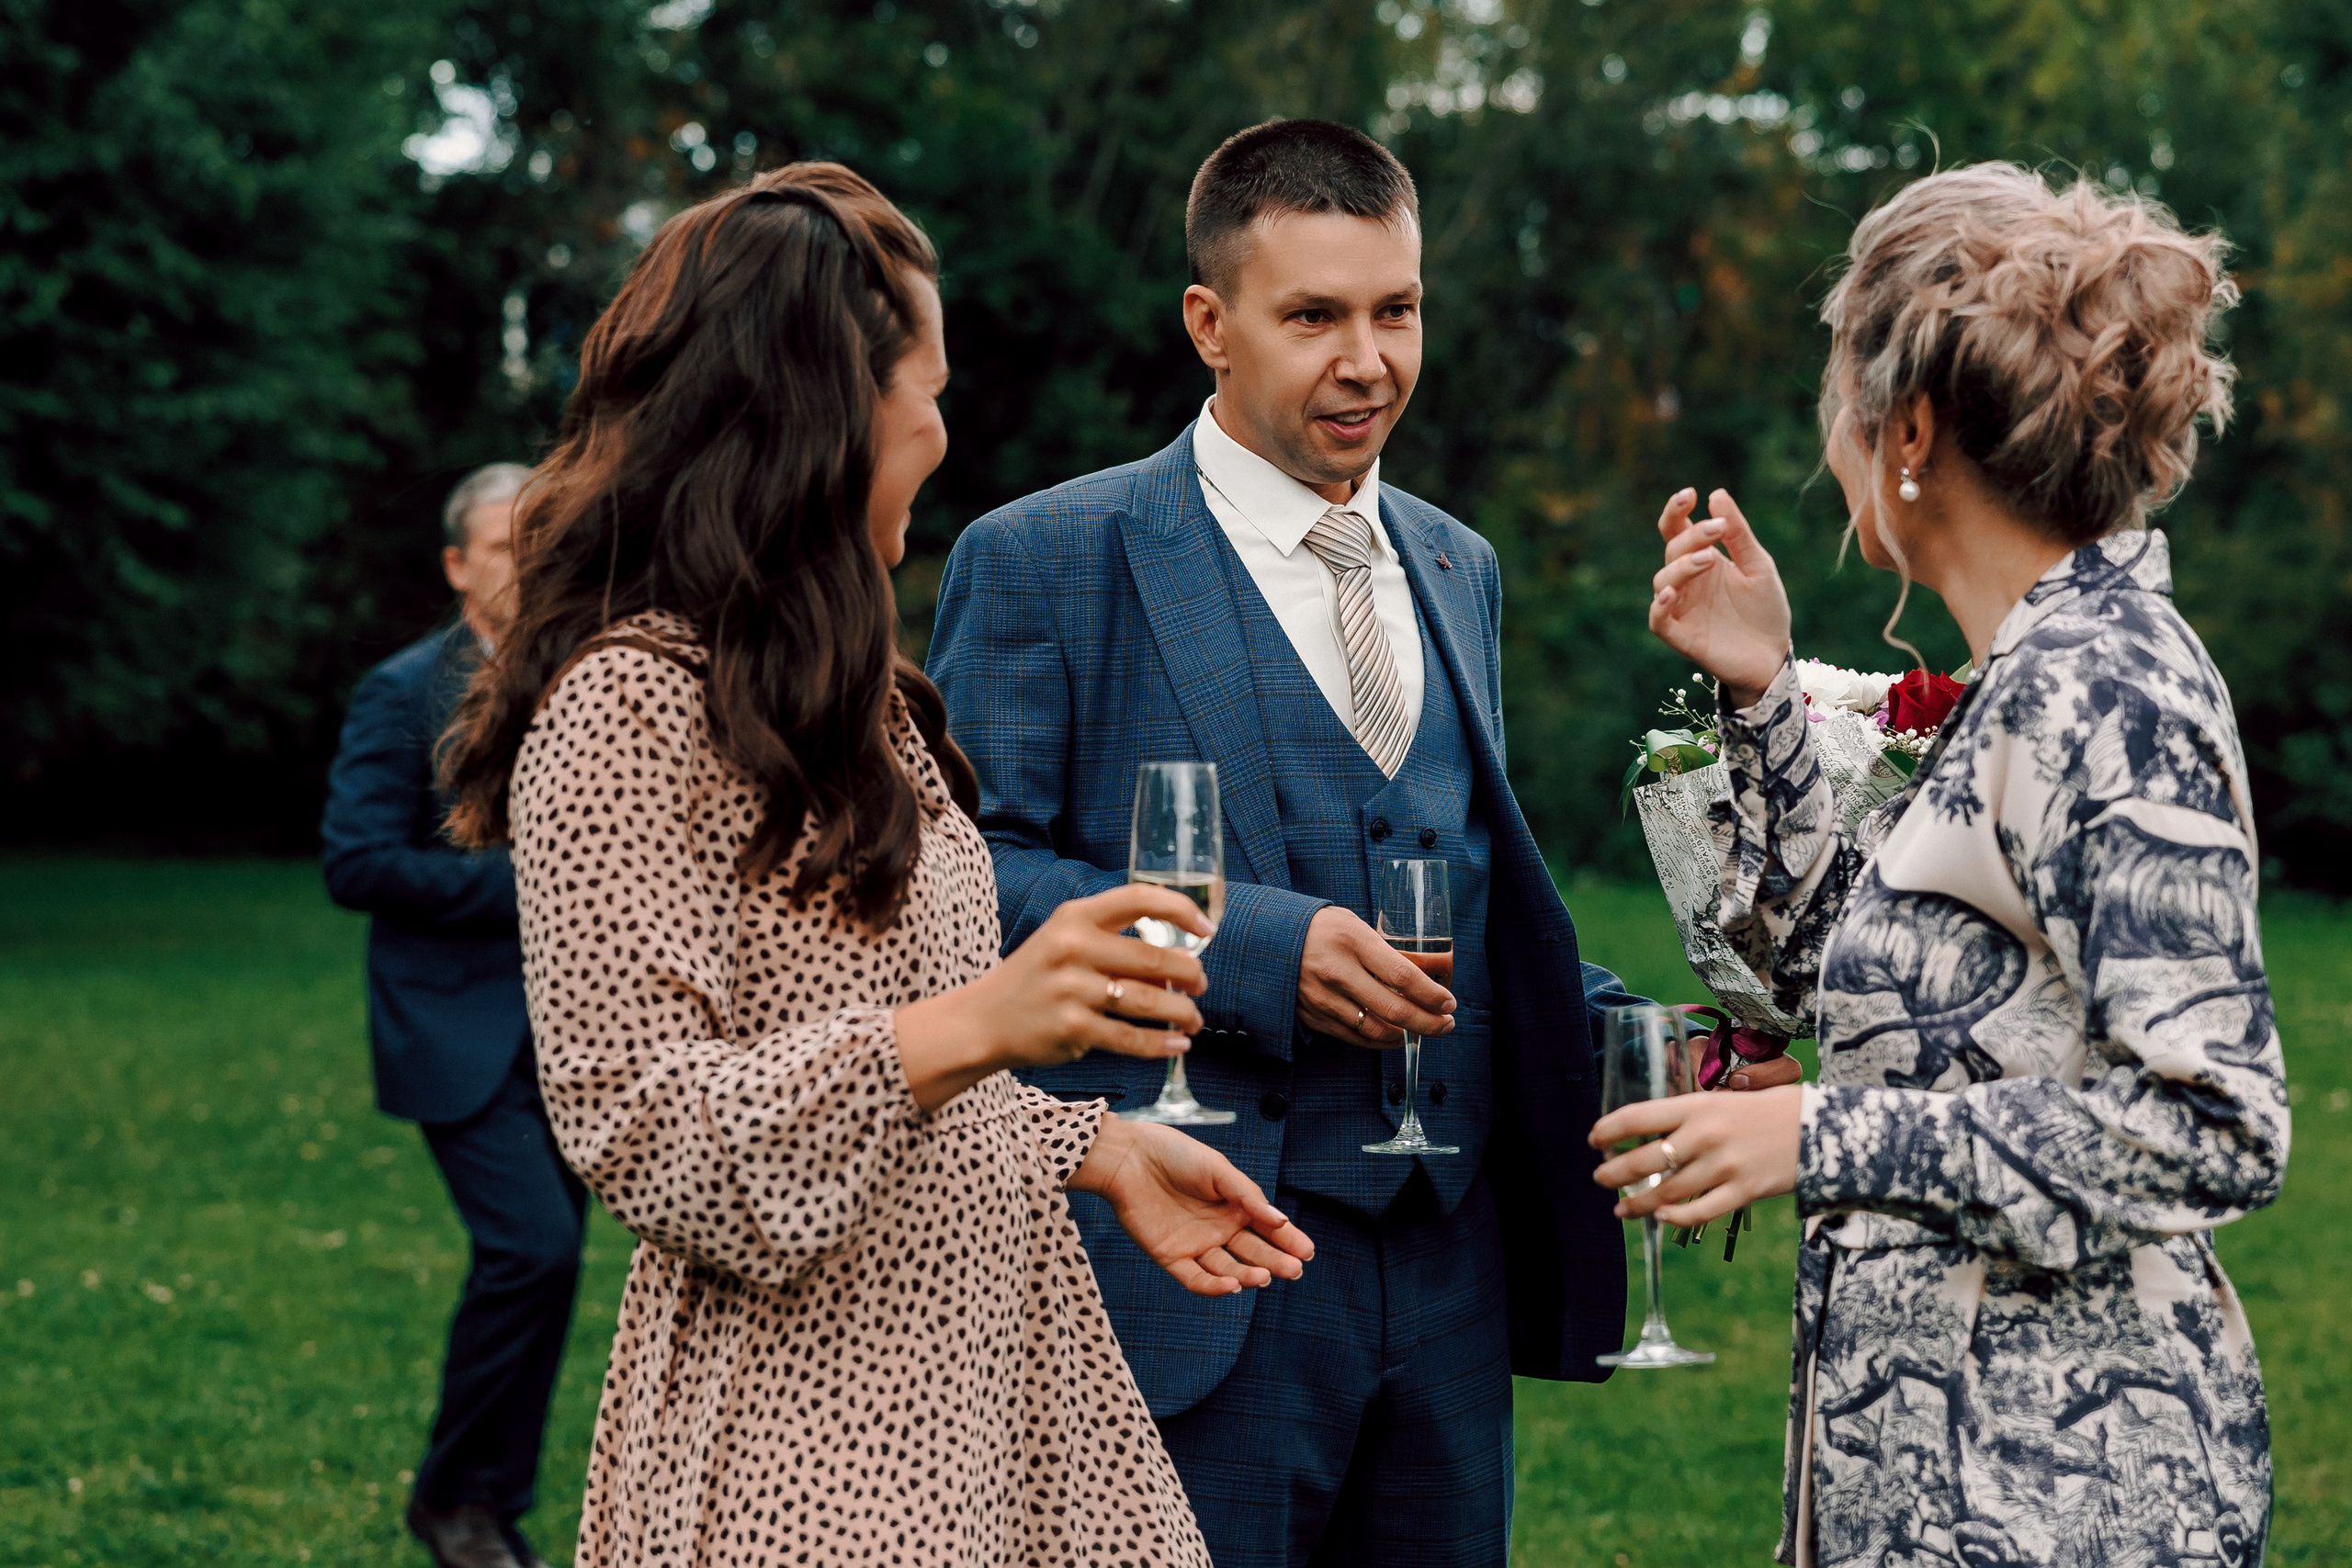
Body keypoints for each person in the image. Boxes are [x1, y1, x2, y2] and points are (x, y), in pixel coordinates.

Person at [927, 118, 1800, 1568]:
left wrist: (1659, 1041)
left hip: (1450, 1270)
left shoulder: (1460, 566)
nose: (1368, 359)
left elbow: (1467, 897)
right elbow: (965, 890)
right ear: (1210, 322)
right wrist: (1256, 946)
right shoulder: (1047, 557)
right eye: (1315, 315)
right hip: (1191, 1262)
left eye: (1396, 310)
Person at [435, 162, 1314, 1568]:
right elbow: (645, 1126)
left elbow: (905, 1058)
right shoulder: (625, 705)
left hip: (996, 1397)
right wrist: (976, 1021)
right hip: (810, 1443)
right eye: (930, 388)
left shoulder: (865, 702)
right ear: (827, 414)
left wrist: (1087, 1140)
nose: (944, 430)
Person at [1593, 164, 2289, 1566]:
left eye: (1841, 398)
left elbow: (2217, 1124)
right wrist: (1762, 698)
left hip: (2065, 1485)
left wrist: (1817, 1135)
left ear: (1908, 425)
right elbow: (1843, 990)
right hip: (1926, 1466)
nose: (1831, 437)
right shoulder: (2024, 666)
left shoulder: (2108, 686)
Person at [322, 461, 585, 1568]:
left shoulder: (584, 680)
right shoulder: (400, 692)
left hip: (578, 1034)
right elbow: (357, 862)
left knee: (553, 1257)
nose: (527, 567)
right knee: (530, 1248)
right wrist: (535, 878)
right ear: (455, 564)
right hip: (457, 1033)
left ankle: (491, 1502)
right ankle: (453, 1499)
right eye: (504, 547)